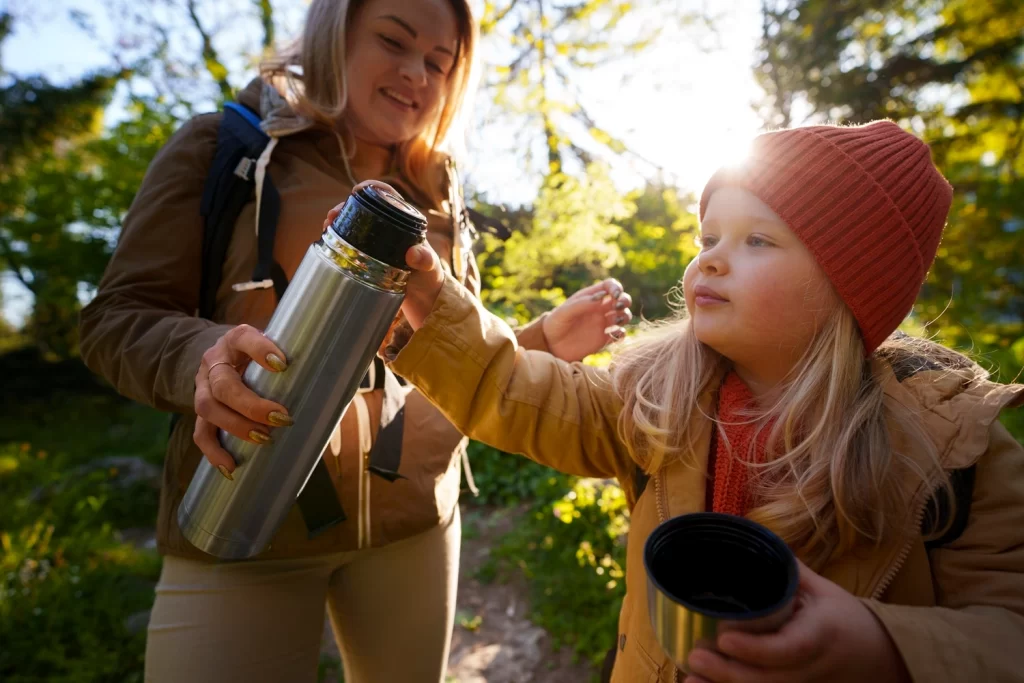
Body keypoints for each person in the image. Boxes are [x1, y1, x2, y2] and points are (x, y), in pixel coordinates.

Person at [78, 0, 633, 681]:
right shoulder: (228, 147)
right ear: (331, 36)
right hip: (242, 515)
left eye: (439, 63)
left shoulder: (440, 189)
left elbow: (435, 359)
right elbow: (116, 318)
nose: (417, 75)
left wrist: (537, 340)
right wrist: (204, 359)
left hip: (417, 524)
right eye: (394, 42)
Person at [382, 120, 1024, 683]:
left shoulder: (950, 449)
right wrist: (436, 306)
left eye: (757, 240)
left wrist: (880, 646)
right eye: (707, 239)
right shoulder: (657, 399)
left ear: (847, 288)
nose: (710, 261)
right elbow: (522, 390)